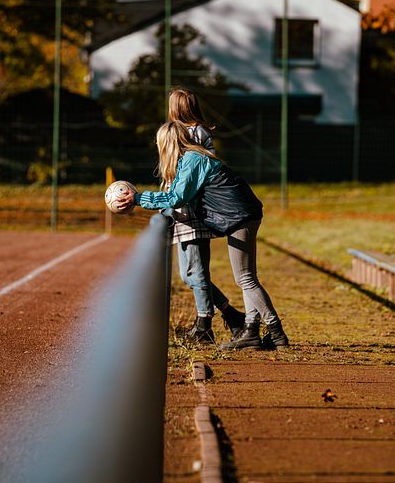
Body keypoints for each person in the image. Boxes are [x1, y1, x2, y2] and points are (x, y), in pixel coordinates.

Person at [115, 120, 289, 350]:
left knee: (245, 278)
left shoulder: (192, 160)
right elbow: (177, 193)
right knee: (245, 277)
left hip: (241, 217)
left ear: (168, 144)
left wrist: (138, 199)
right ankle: (253, 332)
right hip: (242, 216)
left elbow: (177, 197)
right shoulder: (190, 159)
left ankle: (276, 334)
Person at [166, 87, 245, 343]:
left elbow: (190, 174)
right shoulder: (182, 130)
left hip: (193, 211)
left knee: (197, 273)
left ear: (177, 107)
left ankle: (204, 326)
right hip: (182, 210)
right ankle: (232, 315)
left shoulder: (193, 131)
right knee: (187, 275)